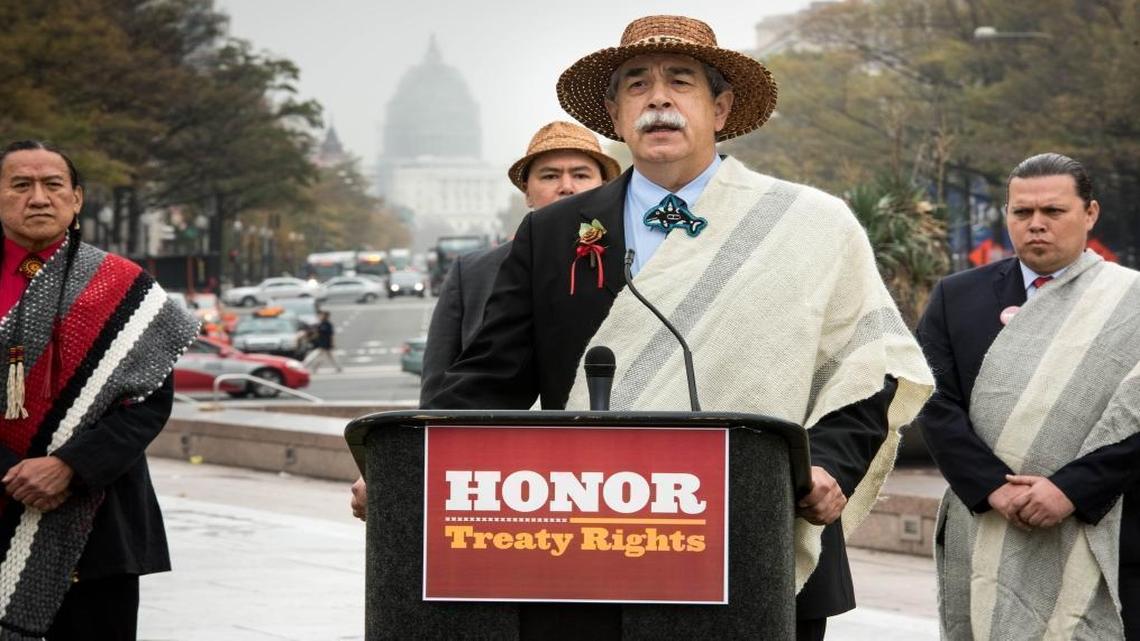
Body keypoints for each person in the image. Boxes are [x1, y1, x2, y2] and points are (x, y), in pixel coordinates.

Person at [423, 16, 933, 640]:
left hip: (757, 531)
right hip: (590, 544)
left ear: (720, 108)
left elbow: (872, 366)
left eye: (680, 82)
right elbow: (490, 376)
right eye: (637, 84)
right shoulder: (552, 232)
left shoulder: (812, 223)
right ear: (614, 116)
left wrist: (829, 467)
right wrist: (406, 466)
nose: (658, 98)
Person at [916, 153, 1139, 640]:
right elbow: (931, 401)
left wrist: (1070, 490)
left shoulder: (1130, 301)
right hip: (988, 522)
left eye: (1053, 212)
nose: (1036, 224)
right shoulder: (958, 295)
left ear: (1090, 214)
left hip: (1103, 523)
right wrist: (993, 486)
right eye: (1022, 213)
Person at [350, 121, 621, 521]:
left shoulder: (630, 263)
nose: (566, 186)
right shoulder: (472, 273)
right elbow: (444, 382)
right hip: (497, 476)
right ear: (527, 193)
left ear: (604, 189)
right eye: (550, 176)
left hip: (615, 469)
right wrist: (405, 463)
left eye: (581, 175)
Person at [0, 140, 199, 639]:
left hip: (98, 521)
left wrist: (69, 466)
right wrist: (14, 475)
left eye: (53, 185)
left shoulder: (123, 285)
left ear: (77, 198)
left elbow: (148, 403)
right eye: (21, 185)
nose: (39, 198)